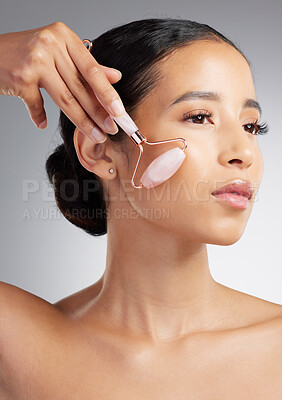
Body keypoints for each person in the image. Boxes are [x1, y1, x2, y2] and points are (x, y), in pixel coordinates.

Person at [0, 18, 281, 398]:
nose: (244, 153)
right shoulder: (20, 344)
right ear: (99, 149)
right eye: (200, 117)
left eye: (251, 126)